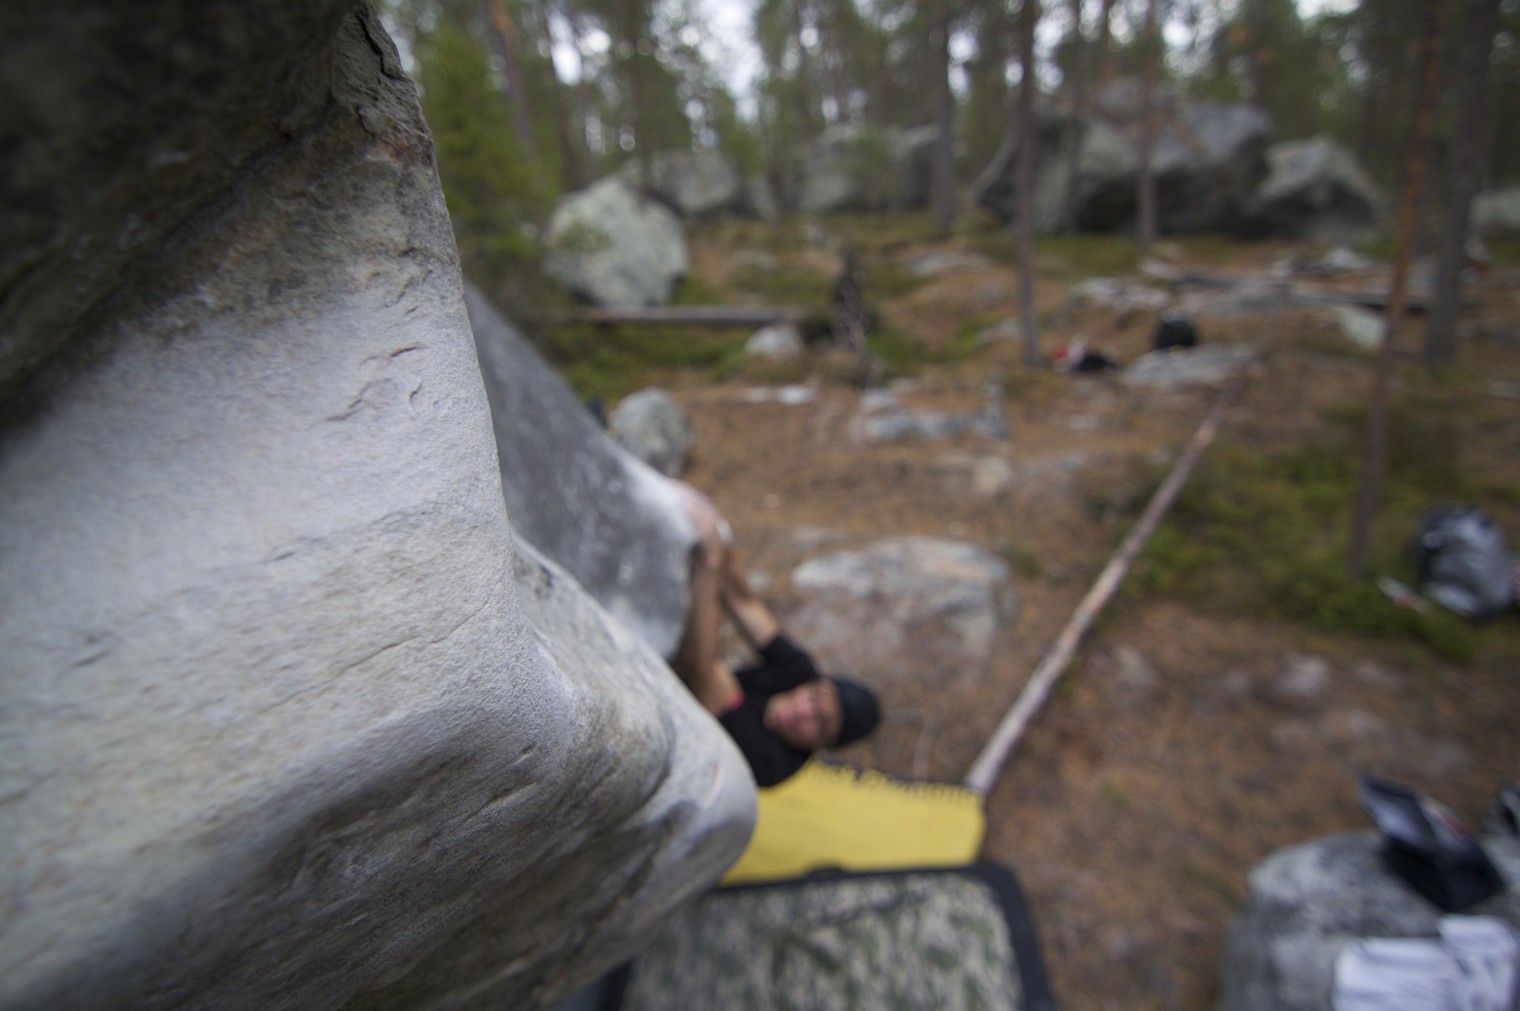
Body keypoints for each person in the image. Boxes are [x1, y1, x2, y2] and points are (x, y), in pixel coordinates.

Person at [670, 483, 880, 787]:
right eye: (813, 697)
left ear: (821, 746)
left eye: (819, 723)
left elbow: (704, 670)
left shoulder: (770, 762)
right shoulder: (799, 673)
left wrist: (710, 564)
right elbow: (746, 605)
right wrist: (718, 533)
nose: (803, 711)